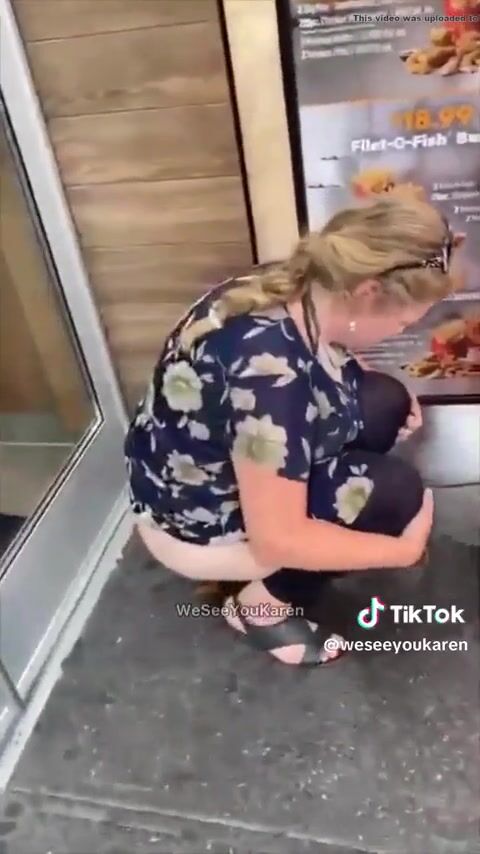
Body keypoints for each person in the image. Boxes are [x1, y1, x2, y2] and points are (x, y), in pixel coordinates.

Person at [125, 198, 462, 667]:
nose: (400, 332)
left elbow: (325, 354)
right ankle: (260, 611)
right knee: (394, 493)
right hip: (197, 522)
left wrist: (372, 377)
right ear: (367, 292)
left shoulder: (289, 282)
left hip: (180, 469)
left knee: (383, 400)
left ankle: (307, 521)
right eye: (403, 322)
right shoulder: (270, 382)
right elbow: (278, 540)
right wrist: (400, 551)